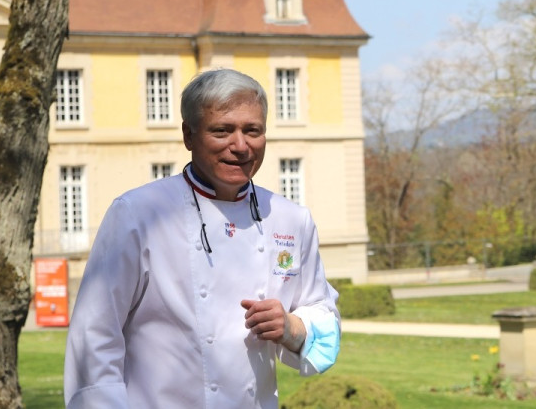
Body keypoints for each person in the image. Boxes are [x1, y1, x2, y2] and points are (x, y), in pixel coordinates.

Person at [64, 69, 340, 408]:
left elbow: (325, 325)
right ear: (188, 135)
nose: (240, 146)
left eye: (252, 130)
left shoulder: (291, 219)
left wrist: (292, 328)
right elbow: (94, 337)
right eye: (222, 131)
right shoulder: (138, 214)